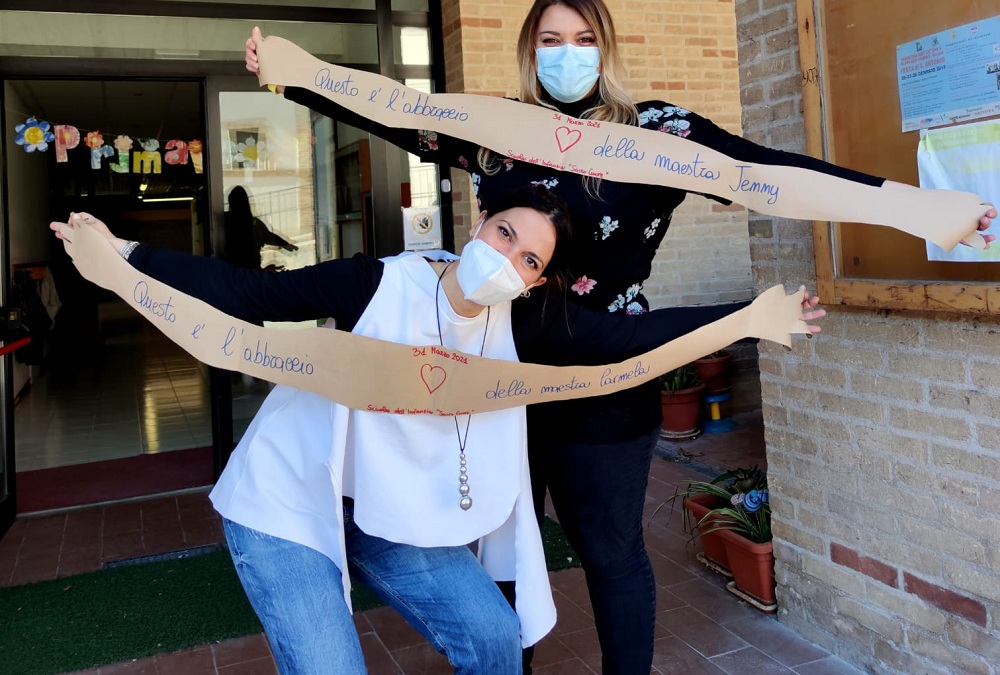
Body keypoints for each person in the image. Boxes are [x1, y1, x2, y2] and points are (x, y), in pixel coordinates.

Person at [246, 5, 984, 669]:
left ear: (606, 49)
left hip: (607, 380)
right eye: (551, 40)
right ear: (530, 52)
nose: (567, 53)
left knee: (611, 552)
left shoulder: (656, 134)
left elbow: (768, 172)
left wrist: (912, 207)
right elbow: (399, 111)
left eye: (583, 40)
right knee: (502, 547)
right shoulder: (497, 133)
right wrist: (297, 77)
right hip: (493, 381)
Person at [52, 188, 825, 675]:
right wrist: (124, 256)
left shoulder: (525, 324)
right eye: (504, 235)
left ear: (535, 281)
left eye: (529, 261)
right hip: (293, 504)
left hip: (396, 516)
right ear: (476, 224)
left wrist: (752, 320)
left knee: (494, 640)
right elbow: (248, 291)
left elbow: (636, 338)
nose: (507, 261)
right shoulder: (376, 280)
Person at [224, 185, 298, 272]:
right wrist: (285, 244)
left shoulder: (224, 220)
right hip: (252, 269)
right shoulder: (253, 223)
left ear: (230, 202)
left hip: (233, 269)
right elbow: (268, 236)